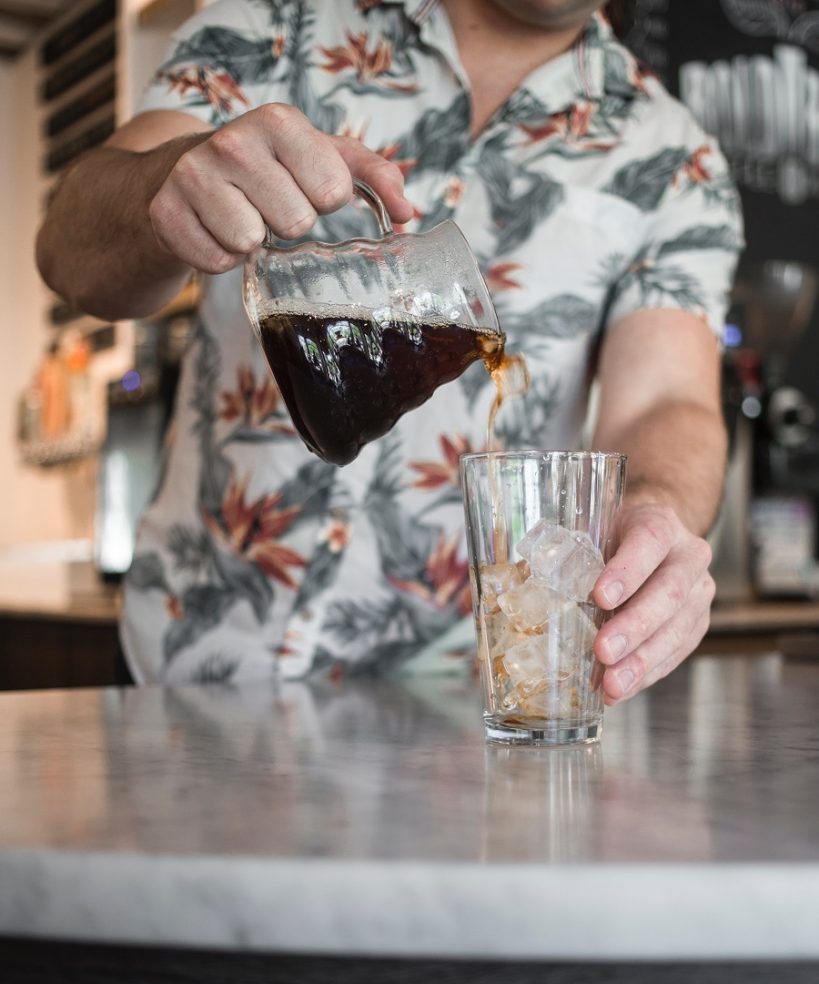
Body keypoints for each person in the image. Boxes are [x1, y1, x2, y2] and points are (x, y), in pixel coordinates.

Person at [37, 0, 743, 694]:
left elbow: (667, 399)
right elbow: (67, 255)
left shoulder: (674, 159)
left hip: (442, 714)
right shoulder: (278, 22)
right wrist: (163, 184)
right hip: (181, 667)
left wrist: (656, 510)